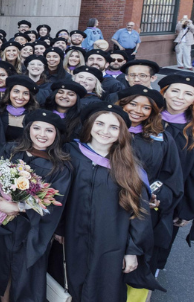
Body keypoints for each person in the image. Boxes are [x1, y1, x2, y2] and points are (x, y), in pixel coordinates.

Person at [62, 102, 161, 301]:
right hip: (72, 238)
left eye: (113, 127)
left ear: (121, 133)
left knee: (105, 290)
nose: (105, 131)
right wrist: (58, 230)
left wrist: (132, 251)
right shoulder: (70, 153)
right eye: (99, 124)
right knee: (70, 287)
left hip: (111, 243)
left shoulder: (129, 167)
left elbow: (139, 213)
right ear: (89, 125)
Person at [0, 109, 72, 302]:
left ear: (56, 135)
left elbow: (55, 203)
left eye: (49, 130)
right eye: (37, 128)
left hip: (30, 231)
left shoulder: (61, 165)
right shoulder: (11, 150)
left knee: (23, 276)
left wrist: (19, 208)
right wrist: (1, 203)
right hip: (1, 226)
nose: (42, 134)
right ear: (28, 129)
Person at [116, 86, 184, 281]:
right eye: (133, 104)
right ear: (123, 103)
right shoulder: (104, 130)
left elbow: (170, 175)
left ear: (152, 112)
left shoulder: (162, 138)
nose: (138, 110)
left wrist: (154, 196)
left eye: (146, 108)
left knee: (135, 267)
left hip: (142, 208)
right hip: (108, 204)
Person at [157, 75, 194, 256]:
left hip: (171, 202)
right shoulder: (145, 120)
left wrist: (187, 210)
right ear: (164, 92)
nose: (179, 97)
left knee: (157, 247)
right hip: (133, 194)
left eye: (188, 93)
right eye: (175, 90)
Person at [0, 75, 39, 142]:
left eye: (25, 93)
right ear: (9, 92)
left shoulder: (34, 116)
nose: (20, 97)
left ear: (30, 97)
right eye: (16, 91)